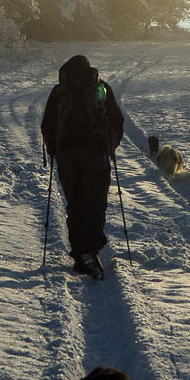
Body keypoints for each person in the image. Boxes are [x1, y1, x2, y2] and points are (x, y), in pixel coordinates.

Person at [40, 54, 125, 279]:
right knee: (96, 203)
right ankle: (91, 250)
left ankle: (79, 253)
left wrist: (54, 149)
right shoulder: (101, 88)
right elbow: (117, 121)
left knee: (75, 203)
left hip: (68, 155)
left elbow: (47, 123)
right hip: (96, 153)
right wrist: (110, 145)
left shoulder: (59, 91)